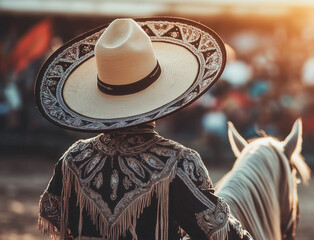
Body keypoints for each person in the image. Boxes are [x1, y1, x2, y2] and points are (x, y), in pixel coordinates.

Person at [36, 17, 253, 240]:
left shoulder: (72, 160)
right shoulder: (177, 163)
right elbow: (221, 233)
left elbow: (55, 219)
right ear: (159, 95)